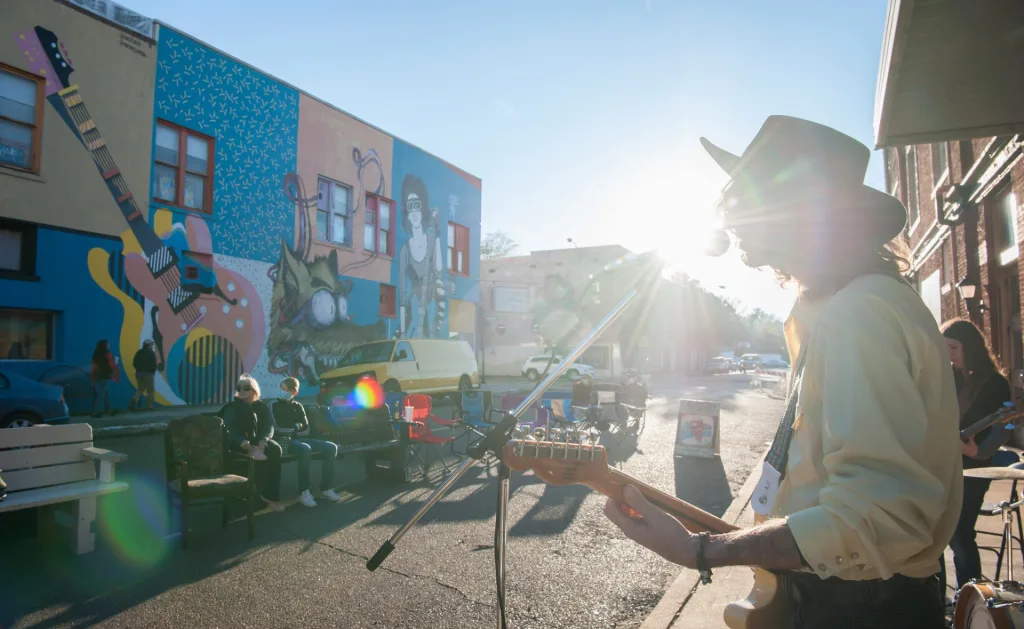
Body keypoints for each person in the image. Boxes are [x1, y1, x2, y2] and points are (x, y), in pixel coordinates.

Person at [603, 116, 961, 628]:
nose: (729, 214)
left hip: (858, 610)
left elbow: (878, 519)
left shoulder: (857, 315)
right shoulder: (841, 309)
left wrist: (701, 550)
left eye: (746, 198)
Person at [940, 319, 1012, 592]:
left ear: (970, 347)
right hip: (944, 463)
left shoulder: (994, 383)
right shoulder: (949, 378)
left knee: (960, 532)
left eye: (954, 348)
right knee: (935, 532)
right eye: (945, 348)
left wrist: (979, 451)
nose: (949, 355)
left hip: (975, 467)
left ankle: (970, 595)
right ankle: (938, 599)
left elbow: (1003, 429)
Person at [271, 377, 342, 507]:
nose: (282, 392)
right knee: (305, 449)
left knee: (331, 447)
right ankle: (304, 492)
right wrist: (296, 427)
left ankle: (325, 488)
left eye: (286, 390)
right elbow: (277, 429)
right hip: (285, 442)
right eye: (281, 389)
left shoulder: (298, 406)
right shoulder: (273, 406)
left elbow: (306, 429)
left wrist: (294, 428)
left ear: (294, 392)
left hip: (302, 439)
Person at [223, 374, 285, 512]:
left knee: (275, 449)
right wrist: (241, 441)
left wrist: (264, 439)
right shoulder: (232, 408)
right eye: (239, 388)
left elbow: (270, 425)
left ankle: (271, 496)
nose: (242, 390)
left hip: (258, 441)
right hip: (239, 444)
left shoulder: (261, 407)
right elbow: (229, 427)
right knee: (258, 457)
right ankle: (257, 496)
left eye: (246, 387)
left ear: (254, 391)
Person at [90, 339, 120, 418]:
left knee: (105, 394)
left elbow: (93, 366)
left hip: (97, 376)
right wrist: (114, 371)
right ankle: (95, 412)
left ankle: (110, 410)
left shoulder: (95, 354)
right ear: (105, 345)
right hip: (105, 376)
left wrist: (92, 377)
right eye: (108, 344)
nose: (109, 345)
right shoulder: (108, 354)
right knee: (101, 394)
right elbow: (112, 365)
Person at [129, 340, 157, 411]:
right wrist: (152, 371)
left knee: (140, 388)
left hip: (139, 374)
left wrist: (139, 369)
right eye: (151, 345)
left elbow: (134, 363)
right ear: (148, 345)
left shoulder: (139, 352)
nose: (152, 346)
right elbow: (154, 364)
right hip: (148, 374)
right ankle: (149, 406)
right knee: (150, 390)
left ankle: (134, 400)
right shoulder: (151, 353)